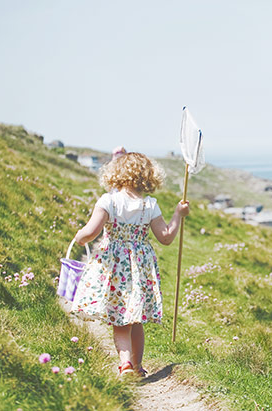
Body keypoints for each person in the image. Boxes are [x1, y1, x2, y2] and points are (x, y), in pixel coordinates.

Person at [71, 152, 190, 377]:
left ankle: (125, 363)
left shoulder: (108, 201)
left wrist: (80, 237)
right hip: (140, 267)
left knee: (119, 318)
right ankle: (137, 366)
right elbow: (165, 237)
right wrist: (178, 214)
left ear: (115, 173)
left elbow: (91, 232)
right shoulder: (150, 205)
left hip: (114, 267)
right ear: (147, 176)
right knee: (135, 318)